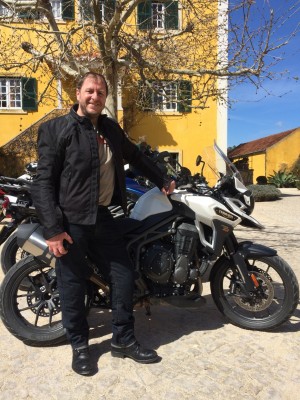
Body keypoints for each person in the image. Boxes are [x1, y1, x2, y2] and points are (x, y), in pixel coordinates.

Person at [31, 72, 175, 376]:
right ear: (78, 93)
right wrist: (53, 230)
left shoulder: (110, 128)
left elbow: (135, 156)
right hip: (70, 222)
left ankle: (123, 340)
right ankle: (80, 347)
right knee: (72, 283)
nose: (95, 97)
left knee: (123, 276)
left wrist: (162, 179)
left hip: (104, 217)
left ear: (105, 97)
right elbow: (42, 182)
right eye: (90, 91)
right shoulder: (57, 129)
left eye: (100, 92)